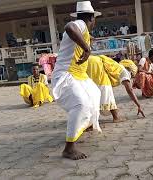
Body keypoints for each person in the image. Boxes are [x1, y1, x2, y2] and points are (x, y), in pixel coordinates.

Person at [51, 1, 102, 160]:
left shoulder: (83, 29)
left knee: (95, 95)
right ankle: (69, 148)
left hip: (80, 76)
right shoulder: (79, 24)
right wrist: (87, 47)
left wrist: (88, 41)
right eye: (94, 20)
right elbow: (69, 27)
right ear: (91, 18)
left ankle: (83, 125)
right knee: (81, 104)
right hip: (67, 75)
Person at [87, 55, 145, 122]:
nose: (130, 77)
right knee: (107, 93)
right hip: (96, 64)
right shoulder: (126, 72)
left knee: (93, 90)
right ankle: (116, 118)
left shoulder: (117, 66)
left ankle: (90, 121)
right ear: (130, 70)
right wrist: (139, 105)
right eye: (132, 75)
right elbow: (130, 90)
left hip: (91, 59)